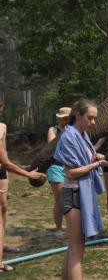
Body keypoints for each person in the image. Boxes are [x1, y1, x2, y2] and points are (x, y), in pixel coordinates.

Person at [54, 99, 108, 280]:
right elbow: (72, 172)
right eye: (90, 118)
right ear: (78, 115)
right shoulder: (69, 137)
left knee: (73, 246)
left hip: (80, 194)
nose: (93, 123)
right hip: (74, 195)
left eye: (94, 119)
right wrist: (97, 163)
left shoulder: (82, 135)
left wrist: (102, 160)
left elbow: (85, 159)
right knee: (78, 250)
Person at [0, 99, 47, 272]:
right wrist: (28, 174)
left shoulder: (2, 127)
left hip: (1, 173)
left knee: (3, 208)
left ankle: (1, 244)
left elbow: (4, 160)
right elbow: (5, 161)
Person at [47, 107, 71, 239]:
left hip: (70, 167)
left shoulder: (74, 130)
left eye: (67, 118)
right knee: (60, 199)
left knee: (70, 198)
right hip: (55, 167)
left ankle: (71, 226)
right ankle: (59, 229)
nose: (64, 120)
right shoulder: (53, 130)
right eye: (62, 118)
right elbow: (52, 144)